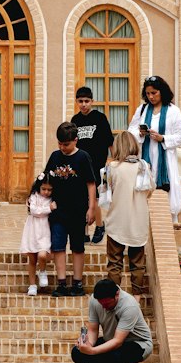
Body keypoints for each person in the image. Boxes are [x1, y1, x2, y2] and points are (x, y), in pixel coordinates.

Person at [70, 276, 153, 363]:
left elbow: (118, 341)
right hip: (113, 342)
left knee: (116, 355)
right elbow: (93, 329)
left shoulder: (129, 306)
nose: (103, 307)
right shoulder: (95, 301)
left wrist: (93, 351)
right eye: (101, 304)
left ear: (117, 294)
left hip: (139, 345)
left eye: (107, 304)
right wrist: (87, 344)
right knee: (77, 353)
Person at [42, 121, 97, 296]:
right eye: (59, 144)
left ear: (75, 140)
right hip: (58, 211)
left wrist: (91, 208)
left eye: (66, 144)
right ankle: (61, 282)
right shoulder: (54, 157)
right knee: (58, 247)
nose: (62, 147)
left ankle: (77, 282)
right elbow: (45, 181)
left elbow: (91, 184)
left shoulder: (83, 157)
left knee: (77, 247)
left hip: (78, 210)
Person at [128, 75, 181, 221]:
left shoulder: (173, 111)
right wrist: (140, 134)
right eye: (148, 94)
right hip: (145, 160)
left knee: (166, 200)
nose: (151, 97)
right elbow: (130, 131)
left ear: (162, 92)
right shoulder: (142, 110)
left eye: (154, 93)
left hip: (165, 162)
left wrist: (163, 138)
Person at [103, 130, 153, 287]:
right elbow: (150, 191)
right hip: (138, 221)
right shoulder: (144, 167)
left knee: (114, 262)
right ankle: (137, 300)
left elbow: (105, 192)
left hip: (117, 220)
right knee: (138, 262)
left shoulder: (111, 168)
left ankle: (114, 299)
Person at [72, 86, 114, 245]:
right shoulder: (75, 120)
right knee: (81, 198)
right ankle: (84, 231)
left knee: (94, 198)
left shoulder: (100, 118)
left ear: (92, 101)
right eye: (81, 101)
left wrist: (116, 160)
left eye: (87, 101)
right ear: (77, 102)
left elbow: (110, 141)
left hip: (96, 164)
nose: (84, 104)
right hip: (79, 164)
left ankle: (99, 225)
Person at [19, 175, 56, 295]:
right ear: (39, 187)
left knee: (42, 254)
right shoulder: (33, 197)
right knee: (32, 259)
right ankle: (32, 285)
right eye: (44, 189)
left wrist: (49, 208)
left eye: (49, 189)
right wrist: (48, 209)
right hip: (32, 229)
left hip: (45, 230)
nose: (46, 192)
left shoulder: (52, 200)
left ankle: (43, 271)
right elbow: (34, 211)